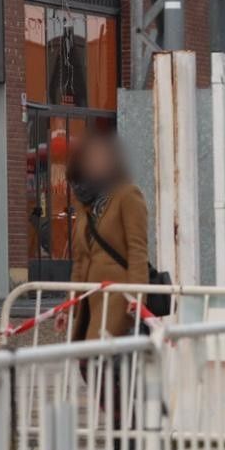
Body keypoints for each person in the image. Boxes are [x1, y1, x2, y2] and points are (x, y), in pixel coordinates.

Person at [68, 133, 150, 340]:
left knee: (102, 359)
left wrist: (137, 299)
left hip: (118, 296)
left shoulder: (128, 194)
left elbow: (137, 251)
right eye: (90, 157)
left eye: (102, 157)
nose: (96, 162)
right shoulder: (84, 202)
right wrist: (69, 306)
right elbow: (80, 261)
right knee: (86, 362)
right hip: (89, 298)